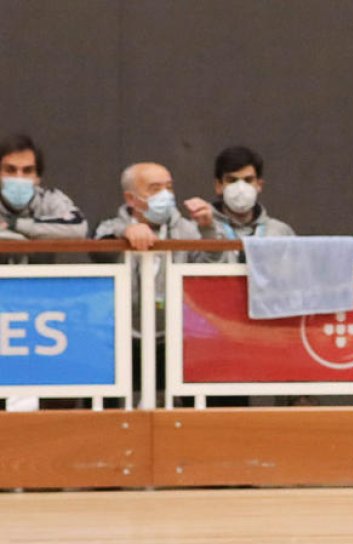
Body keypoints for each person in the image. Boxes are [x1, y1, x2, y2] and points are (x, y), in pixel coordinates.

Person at [92, 162, 223, 406]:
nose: (166, 196)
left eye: (169, 188)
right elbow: (99, 245)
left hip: (174, 337)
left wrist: (207, 230)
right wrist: (126, 231)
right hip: (123, 337)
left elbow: (210, 266)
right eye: (155, 189)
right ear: (131, 199)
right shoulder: (111, 227)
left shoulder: (186, 229)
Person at [198, 145, 295, 263]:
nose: (241, 188)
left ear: (259, 185)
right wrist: (208, 232)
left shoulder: (280, 232)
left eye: (248, 180)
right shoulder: (200, 229)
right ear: (219, 186)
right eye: (232, 180)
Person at [0, 133, 87, 264]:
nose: (19, 178)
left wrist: (15, 225)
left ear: (38, 178)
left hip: (39, 282)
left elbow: (78, 226)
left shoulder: (49, 198)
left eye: (27, 171)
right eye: (10, 170)